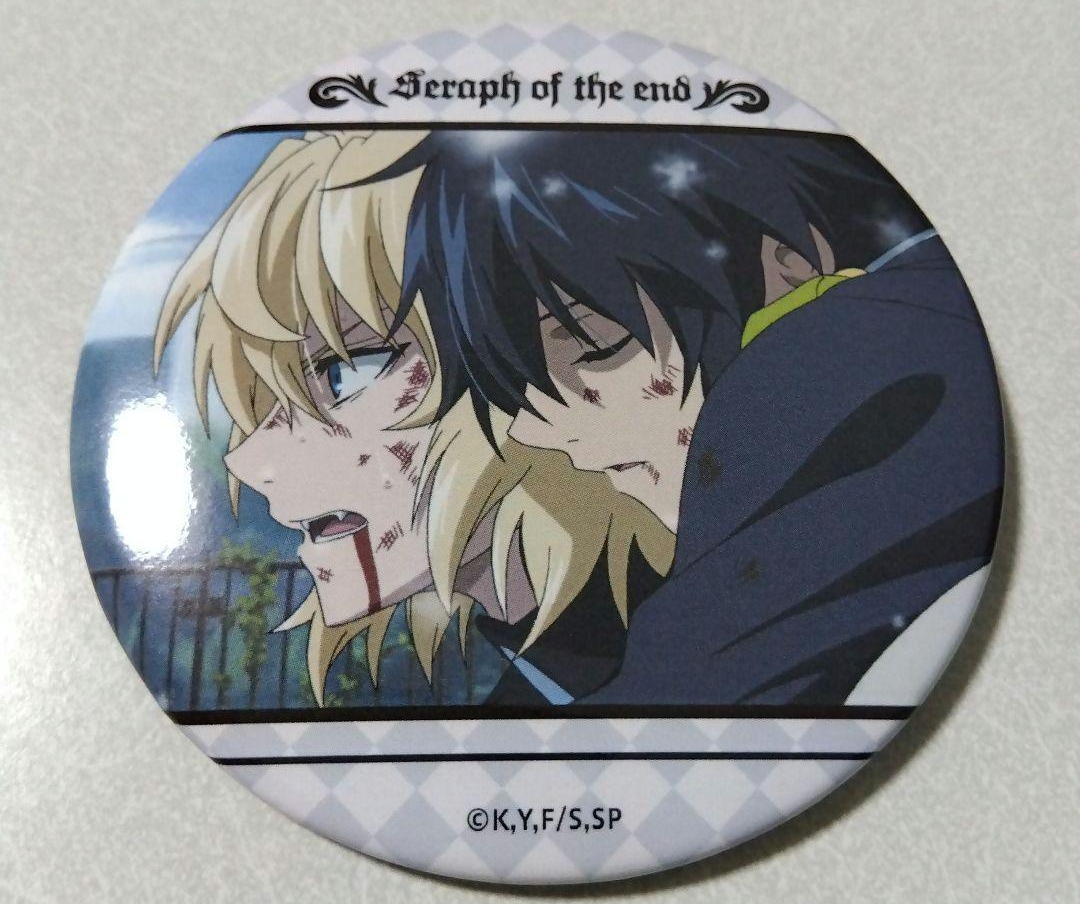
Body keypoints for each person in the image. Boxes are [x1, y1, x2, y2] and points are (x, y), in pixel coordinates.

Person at [366, 126, 1003, 705]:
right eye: (518, 388)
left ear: (787, 269)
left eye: (593, 347)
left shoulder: (879, 421)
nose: (535, 432)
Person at [154, 129, 672, 705]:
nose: (248, 459)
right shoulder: (547, 697)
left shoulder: (714, 642)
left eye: (344, 373)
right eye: (266, 397)